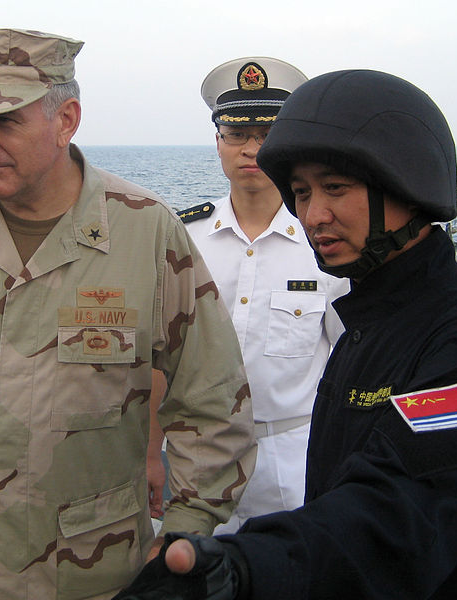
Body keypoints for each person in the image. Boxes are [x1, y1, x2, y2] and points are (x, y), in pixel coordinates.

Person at [0, 27, 256, 599]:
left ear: (66, 120)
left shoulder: (144, 230)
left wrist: (187, 525)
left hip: (84, 571)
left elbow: (213, 397)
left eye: (5, 121)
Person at [114, 69, 457, 599]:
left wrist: (247, 568)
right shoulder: (375, 319)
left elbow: (401, 509)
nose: (313, 214)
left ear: (405, 181)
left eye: (335, 188)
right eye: (302, 193)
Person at [166, 58, 347, 530]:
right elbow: (157, 354)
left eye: (266, 134)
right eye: (236, 135)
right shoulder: (183, 239)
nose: (250, 149)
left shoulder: (325, 242)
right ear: (219, 142)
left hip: (294, 460)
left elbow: (352, 356)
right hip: (193, 460)